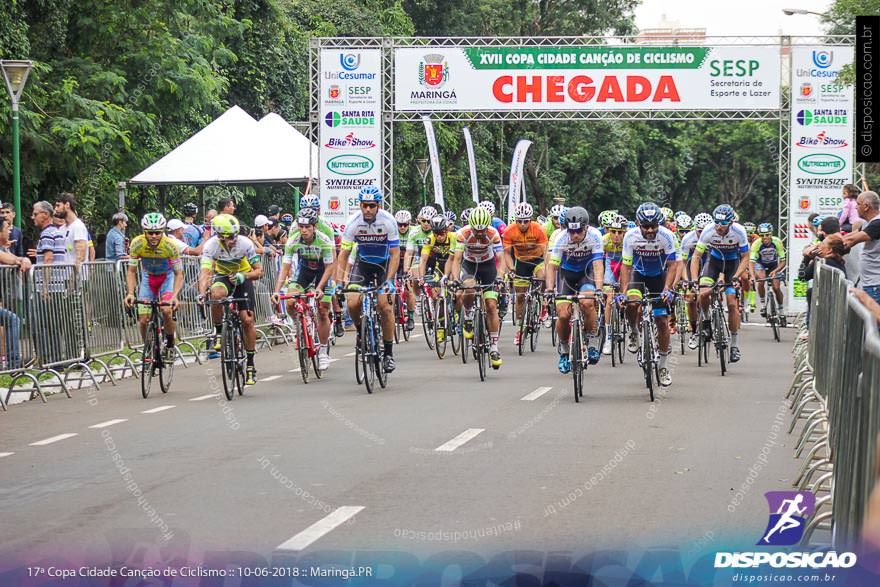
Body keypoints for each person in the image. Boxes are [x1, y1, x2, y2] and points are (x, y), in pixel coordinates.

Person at [335, 186, 400, 373]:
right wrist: (339, 283)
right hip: (362, 264)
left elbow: (395, 255)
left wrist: (389, 280)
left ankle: (388, 353)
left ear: (378, 205)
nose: (368, 210)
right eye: (365, 205)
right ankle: (361, 331)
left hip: (383, 266)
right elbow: (344, 254)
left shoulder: (388, 221)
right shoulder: (353, 222)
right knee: (353, 302)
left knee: (385, 307)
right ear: (360, 205)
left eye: (372, 206)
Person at [617, 203, 680, 387]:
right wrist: (623, 292)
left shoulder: (666, 236)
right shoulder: (630, 236)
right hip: (638, 275)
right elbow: (626, 267)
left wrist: (667, 289)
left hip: (659, 278)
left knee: (662, 321)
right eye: (646, 226)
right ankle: (634, 331)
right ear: (638, 223)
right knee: (632, 303)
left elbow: (672, 266)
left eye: (654, 226)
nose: (651, 230)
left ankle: (662, 365)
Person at [198, 214, 263, 385]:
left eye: (235, 236)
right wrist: (201, 293)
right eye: (230, 237)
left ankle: (250, 364)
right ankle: (219, 332)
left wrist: (244, 276)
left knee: (247, 320)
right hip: (223, 277)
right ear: (220, 236)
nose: (234, 240)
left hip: (243, 278)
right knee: (216, 294)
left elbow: (258, 271)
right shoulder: (211, 245)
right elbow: (205, 273)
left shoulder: (245, 243)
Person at [272, 208, 336, 371]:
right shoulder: (293, 241)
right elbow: (285, 268)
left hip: (322, 272)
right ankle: (299, 325)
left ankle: (322, 351)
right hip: (305, 271)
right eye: (301, 226)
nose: (304, 230)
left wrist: (320, 288)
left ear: (315, 226)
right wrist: (277, 291)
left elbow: (330, 267)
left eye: (308, 227)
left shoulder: (324, 240)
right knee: (291, 301)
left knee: (322, 310)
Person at [546, 206, 604, 372]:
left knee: (587, 302)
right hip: (567, 275)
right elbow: (552, 267)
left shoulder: (595, 236)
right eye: (572, 232)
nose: (575, 235)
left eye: (578, 231)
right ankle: (564, 352)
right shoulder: (561, 238)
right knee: (563, 314)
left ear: (586, 227)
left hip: (587, 273)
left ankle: (592, 342)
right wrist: (550, 289)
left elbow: (598, 264)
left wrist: (599, 289)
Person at [690, 204, 750, 363]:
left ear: (730, 223)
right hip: (713, 263)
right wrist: (695, 280)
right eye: (716, 222)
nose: (718, 226)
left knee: (731, 304)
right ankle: (707, 320)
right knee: (703, 293)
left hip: (732, 265)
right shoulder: (708, 231)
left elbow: (745, 257)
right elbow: (696, 257)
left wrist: (737, 277)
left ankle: (735, 345)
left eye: (723, 224)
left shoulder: (739, 231)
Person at [450, 205, 505, 369]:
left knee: (491, 305)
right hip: (470, 266)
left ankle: (494, 348)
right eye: (476, 230)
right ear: (471, 225)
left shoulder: (493, 234)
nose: (480, 234)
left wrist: (501, 277)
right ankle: (467, 316)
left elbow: (501, 259)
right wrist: (455, 279)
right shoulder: (463, 233)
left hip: (488, 266)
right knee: (469, 288)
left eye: (482, 230)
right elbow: (457, 259)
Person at [124, 213, 184, 361]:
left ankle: (170, 344)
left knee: (166, 310)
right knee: (143, 319)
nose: (154, 236)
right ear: (145, 232)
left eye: (157, 232)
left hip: (167, 278)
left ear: (163, 231)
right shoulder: (137, 243)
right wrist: (130, 293)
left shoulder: (170, 245)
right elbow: (131, 271)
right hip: (148, 278)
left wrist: (175, 295)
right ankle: (149, 348)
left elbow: (179, 274)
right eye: (150, 233)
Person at [503, 202, 548, 347]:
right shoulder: (509, 231)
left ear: (531, 219)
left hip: (537, 260)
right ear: (515, 220)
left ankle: (541, 302)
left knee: (542, 275)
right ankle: (520, 330)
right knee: (520, 296)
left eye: (526, 221)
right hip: (521, 262)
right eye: (519, 221)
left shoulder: (538, 229)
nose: (522, 224)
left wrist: (548, 269)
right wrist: (511, 269)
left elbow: (546, 252)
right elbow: (507, 254)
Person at [843, 191, 880, 304]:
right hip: (870, 283)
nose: (855, 208)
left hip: (875, 284)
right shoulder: (868, 224)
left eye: (858, 204)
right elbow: (849, 236)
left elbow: (850, 240)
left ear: (866, 206)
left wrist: (828, 247)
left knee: (873, 320)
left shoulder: (877, 224)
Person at [749, 223, 786, 318]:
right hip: (760, 264)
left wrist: (776, 270)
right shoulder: (756, 244)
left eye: (767, 235)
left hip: (774, 266)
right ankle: (762, 304)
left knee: (776, 288)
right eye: (762, 235)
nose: (765, 238)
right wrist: (753, 276)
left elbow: (783, 261)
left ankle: (781, 310)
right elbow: (751, 262)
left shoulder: (777, 242)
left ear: (771, 234)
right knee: (761, 280)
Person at [54, 192, 89, 266]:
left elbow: (80, 256)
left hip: (77, 276)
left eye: (58, 206)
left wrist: (73, 276)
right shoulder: (61, 229)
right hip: (64, 275)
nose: (56, 209)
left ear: (67, 205)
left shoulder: (78, 226)